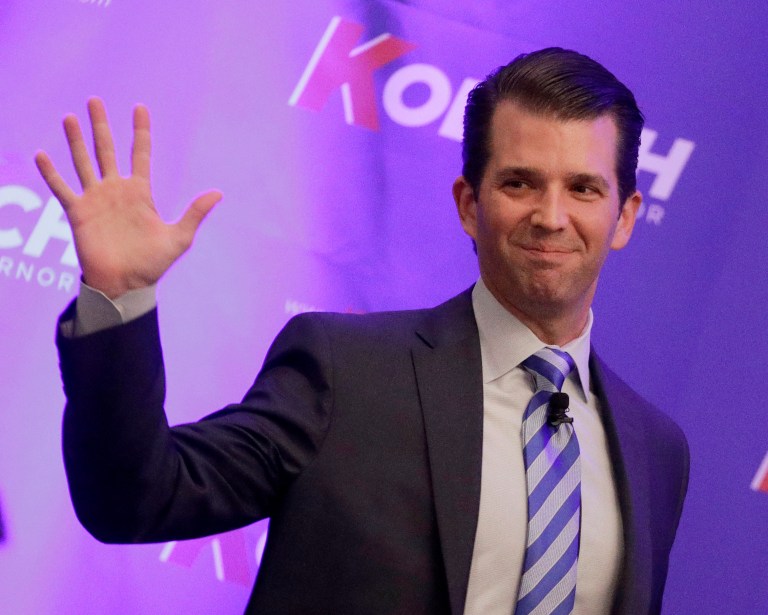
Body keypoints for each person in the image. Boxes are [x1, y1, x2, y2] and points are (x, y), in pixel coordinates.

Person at [36, 48, 689, 614]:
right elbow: (134, 497)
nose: (551, 216)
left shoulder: (656, 449)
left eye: (583, 188)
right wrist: (119, 296)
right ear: (470, 203)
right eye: (520, 182)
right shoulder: (345, 370)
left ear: (626, 215)